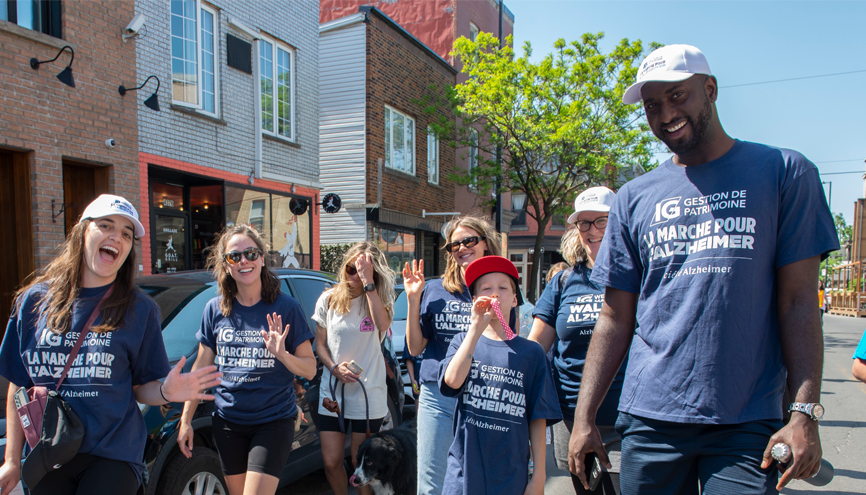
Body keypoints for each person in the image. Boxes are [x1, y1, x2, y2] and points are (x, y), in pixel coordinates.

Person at [568, 44, 839, 495]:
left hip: (747, 421)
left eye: (677, 96)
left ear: (709, 89)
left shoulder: (784, 173)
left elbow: (798, 304)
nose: (665, 113)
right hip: (650, 420)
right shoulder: (635, 197)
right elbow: (615, 317)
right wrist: (584, 419)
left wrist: (804, 413)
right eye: (652, 105)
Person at [0, 194, 222, 495]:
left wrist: (165, 392)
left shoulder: (139, 309)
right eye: (106, 226)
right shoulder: (34, 302)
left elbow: (141, 387)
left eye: (126, 234)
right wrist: (12, 460)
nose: (116, 237)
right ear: (83, 233)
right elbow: (18, 385)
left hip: (113, 453)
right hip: (49, 452)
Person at [177, 224, 316, 495]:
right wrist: (185, 421)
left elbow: (310, 369)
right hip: (228, 422)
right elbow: (201, 369)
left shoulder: (286, 308)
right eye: (234, 256)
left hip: (273, 420)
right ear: (226, 265)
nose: (244, 261)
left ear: (262, 259)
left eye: (251, 254)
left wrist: (282, 354)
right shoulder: (214, 310)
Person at [402, 216, 512, 495]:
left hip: (482, 395)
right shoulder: (435, 289)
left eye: (469, 240)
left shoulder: (499, 285)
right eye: (454, 244)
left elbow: (509, 341)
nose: (462, 247)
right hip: (438, 397)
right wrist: (413, 299)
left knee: (476, 482)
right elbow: (415, 349)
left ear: (485, 242)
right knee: (431, 485)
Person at [529, 186, 625, 495]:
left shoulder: (636, 275)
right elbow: (534, 348)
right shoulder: (564, 281)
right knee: (587, 490)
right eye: (584, 222)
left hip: (625, 420)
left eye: (601, 221)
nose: (592, 230)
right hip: (571, 417)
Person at [439, 255, 562, 495]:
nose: (494, 294)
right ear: (474, 300)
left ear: (515, 299)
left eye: (503, 288)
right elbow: (452, 381)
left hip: (510, 475)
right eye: (486, 288)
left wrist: (538, 477)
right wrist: (475, 329)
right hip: (463, 473)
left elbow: (538, 419)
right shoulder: (463, 342)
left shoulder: (532, 353)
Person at [313, 242, 396, 495]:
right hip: (333, 392)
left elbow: (382, 324)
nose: (354, 275)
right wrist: (333, 367)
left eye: (361, 270)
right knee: (331, 462)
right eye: (351, 268)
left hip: (367, 393)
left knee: (358, 463)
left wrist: (368, 283)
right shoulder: (328, 299)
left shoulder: (378, 299)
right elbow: (320, 344)